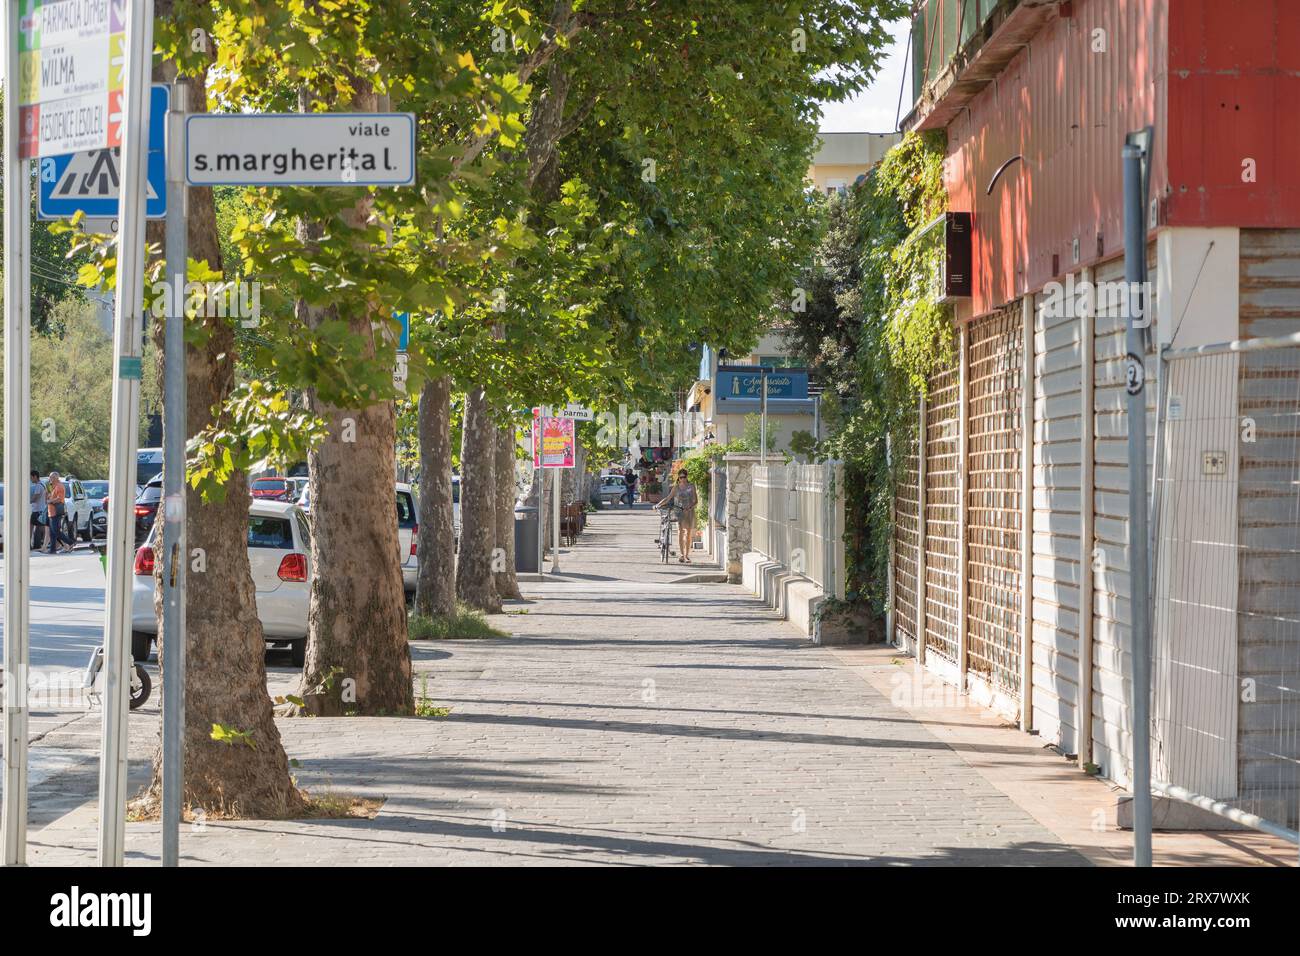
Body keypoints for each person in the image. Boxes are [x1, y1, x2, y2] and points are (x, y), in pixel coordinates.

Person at [655, 468, 698, 563]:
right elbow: (667, 498)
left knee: (688, 534)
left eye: (684, 477)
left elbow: (695, 501)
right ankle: (682, 555)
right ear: (678, 477)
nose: (683, 479)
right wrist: (658, 505)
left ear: (687, 477)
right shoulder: (676, 488)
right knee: (680, 532)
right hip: (679, 512)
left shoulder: (691, 487)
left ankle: (687, 555)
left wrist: (690, 508)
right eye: (681, 477)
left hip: (689, 512)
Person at [46, 471, 75, 554]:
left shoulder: (59, 486)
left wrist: (49, 501)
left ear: (56, 478)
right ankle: (52, 550)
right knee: (52, 532)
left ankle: (70, 543)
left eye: (51, 477)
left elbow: (59, 499)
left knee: (56, 531)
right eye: (50, 477)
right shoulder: (54, 486)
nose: (50, 479)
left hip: (56, 512)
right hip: (51, 512)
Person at [30, 468, 47, 551]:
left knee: (31, 527)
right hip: (41, 509)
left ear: (35, 477)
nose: (31, 479)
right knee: (42, 528)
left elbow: (35, 497)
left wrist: (27, 501)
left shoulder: (38, 485)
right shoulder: (43, 484)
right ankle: (44, 543)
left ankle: (28, 544)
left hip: (37, 510)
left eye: (31, 477)